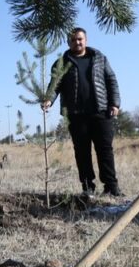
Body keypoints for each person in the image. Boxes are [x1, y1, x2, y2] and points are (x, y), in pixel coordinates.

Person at [43, 28, 122, 196]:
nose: (77, 42)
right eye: (73, 40)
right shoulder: (61, 63)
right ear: (68, 42)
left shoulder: (99, 58)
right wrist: (48, 99)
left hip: (101, 111)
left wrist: (115, 103)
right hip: (76, 114)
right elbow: (55, 84)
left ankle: (111, 187)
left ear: (85, 40)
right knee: (82, 151)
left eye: (79, 39)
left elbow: (111, 80)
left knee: (105, 149)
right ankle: (88, 187)